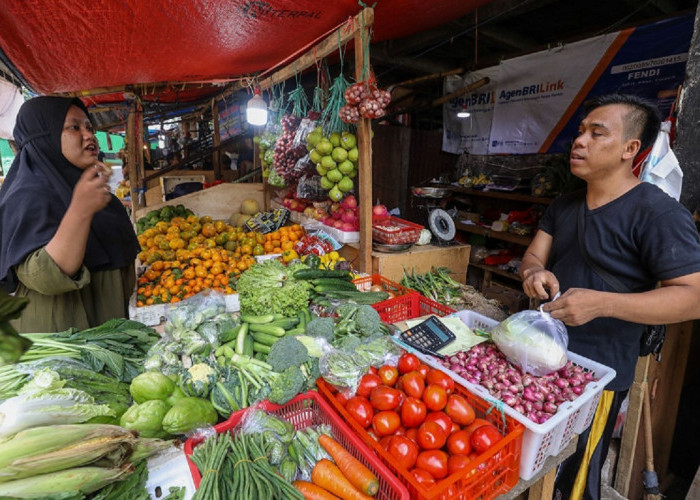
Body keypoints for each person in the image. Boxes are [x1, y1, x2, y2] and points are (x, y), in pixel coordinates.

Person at [519, 94, 700, 500]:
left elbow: (693, 297)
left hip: (596, 377)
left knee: (576, 475)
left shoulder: (658, 213)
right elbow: (533, 255)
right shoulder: (564, 205)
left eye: (596, 133)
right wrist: (534, 273)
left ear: (629, 149)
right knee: (533, 466)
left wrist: (603, 303)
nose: (579, 141)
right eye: (580, 131)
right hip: (540, 357)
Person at [0, 96, 139, 333]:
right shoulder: (27, 195)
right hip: (63, 344)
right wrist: (80, 210)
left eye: (89, 127)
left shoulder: (89, 188)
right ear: (45, 137)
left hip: (107, 333)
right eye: (74, 127)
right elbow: (45, 276)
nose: (89, 136)